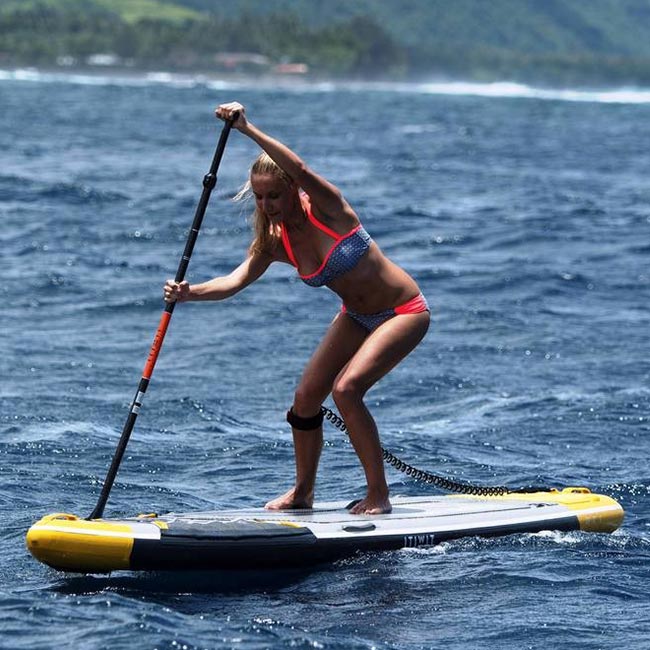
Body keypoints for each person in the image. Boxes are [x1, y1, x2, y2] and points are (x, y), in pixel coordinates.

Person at [164, 101, 430, 515]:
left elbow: (302, 168)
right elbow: (233, 281)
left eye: (274, 195)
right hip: (356, 317)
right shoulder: (274, 240)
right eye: (259, 197)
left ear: (292, 190)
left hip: (404, 311)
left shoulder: (328, 209)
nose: (267, 205)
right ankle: (302, 493)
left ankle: (379, 494)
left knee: (346, 390)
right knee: (305, 399)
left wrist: (248, 129)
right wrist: (189, 292)